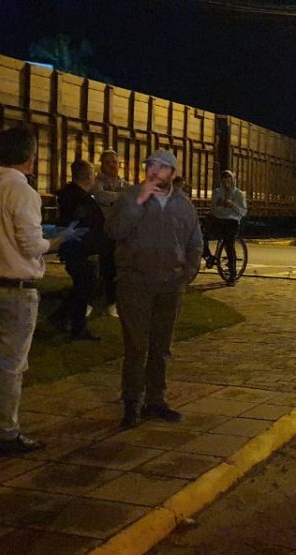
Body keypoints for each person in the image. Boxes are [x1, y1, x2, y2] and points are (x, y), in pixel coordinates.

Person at [0, 125, 86, 454]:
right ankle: (6, 433)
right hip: (15, 289)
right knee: (11, 364)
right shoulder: (22, 192)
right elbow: (31, 245)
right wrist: (60, 240)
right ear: (29, 155)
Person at [108, 149, 202, 427]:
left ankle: (156, 401)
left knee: (161, 346)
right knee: (137, 346)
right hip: (135, 283)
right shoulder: (129, 197)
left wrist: (186, 275)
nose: (154, 171)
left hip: (170, 286)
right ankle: (132, 402)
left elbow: (195, 243)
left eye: (162, 167)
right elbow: (114, 231)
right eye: (151, 165)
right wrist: (138, 202)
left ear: (173, 173)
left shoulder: (183, 205)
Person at [48, 160, 108, 340]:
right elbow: (80, 224)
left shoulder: (72, 195)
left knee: (83, 287)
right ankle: (76, 327)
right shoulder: (79, 198)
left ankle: (61, 318)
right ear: (88, 176)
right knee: (85, 287)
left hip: (78, 248)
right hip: (80, 250)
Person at [93, 150, 126, 318]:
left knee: (120, 268)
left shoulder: (123, 182)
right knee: (107, 267)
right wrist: (121, 197)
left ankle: (114, 300)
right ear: (102, 164)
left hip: (121, 232)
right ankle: (105, 302)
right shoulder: (98, 181)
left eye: (115, 162)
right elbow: (101, 196)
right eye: (108, 162)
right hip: (104, 231)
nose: (113, 165)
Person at [201, 170, 248, 283]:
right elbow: (213, 208)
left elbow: (243, 212)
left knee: (229, 244)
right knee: (201, 234)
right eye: (224, 181)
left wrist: (233, 206)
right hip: (218, 220)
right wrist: (221, 206)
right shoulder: (217, 192)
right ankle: (208, 256)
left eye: (228, 180)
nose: (226, 183)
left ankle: (232, 273)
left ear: (232, 181)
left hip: (231, 221)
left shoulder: (239, 194)